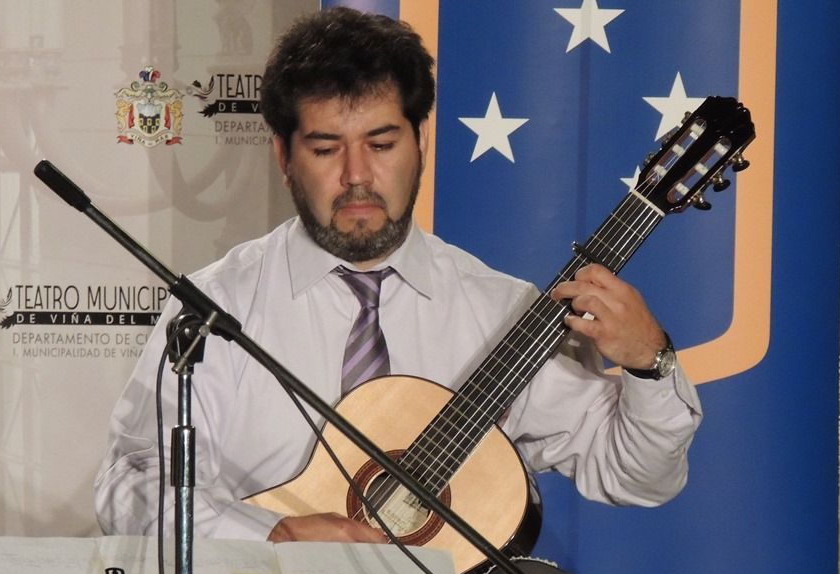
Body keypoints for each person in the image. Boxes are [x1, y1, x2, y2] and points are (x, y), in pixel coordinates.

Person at [94, 6, 701, 546]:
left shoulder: (502, 314)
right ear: (284, 156)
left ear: (421, 141)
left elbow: (635, 478)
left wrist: (651, 364)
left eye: (381, 144)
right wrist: (272, 534)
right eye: (326, 149)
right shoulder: (216, 306)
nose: (357, 176)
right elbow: (128, 484)